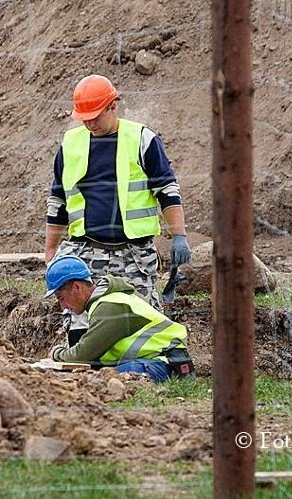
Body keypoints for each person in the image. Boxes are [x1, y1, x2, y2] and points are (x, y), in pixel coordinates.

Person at [45, 74, 191, 343]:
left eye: (96, 116)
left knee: (143, 319)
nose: (90, 123)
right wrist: (51, 250)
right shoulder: (71, 144)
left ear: (114, 106)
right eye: (84, 118)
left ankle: (145, 374)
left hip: (132, 253)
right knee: (82, 320)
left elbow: (167, 190)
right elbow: (58, 201)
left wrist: (179, 235)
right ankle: (86, 379)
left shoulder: (142, 139)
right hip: (85, 250)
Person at [44, 255, 195, 383]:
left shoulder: (109, 306)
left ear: (77, 287)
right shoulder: (105, 302)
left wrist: (57, 353)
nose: (62, 306)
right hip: (157, 362)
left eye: (61, 298)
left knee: (109, 380)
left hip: (163, 364)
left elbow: (81, 356)